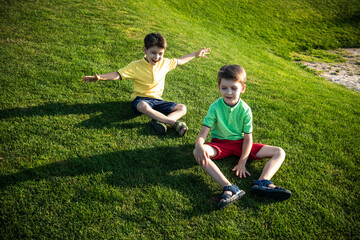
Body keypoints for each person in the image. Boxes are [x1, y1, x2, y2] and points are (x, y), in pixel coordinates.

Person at [193, 64, 291, 209]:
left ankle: (263, 182)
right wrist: (199, 145)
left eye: (234, 88)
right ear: (219, 88)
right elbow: (203, 132)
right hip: (220, 145)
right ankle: (229, 188)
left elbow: (248, 139)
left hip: (241, 145)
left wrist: (242, 162)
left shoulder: (245, 110)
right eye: (224, 88)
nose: (229, 92)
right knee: (197, 152)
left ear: (242, 88)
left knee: (279, 152)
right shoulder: (215, 107)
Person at [82, 33, 210, 136]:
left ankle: (160, 121)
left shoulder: (165, 63)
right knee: (143, 106)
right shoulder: (135, 66)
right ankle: (172, 122)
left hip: (158, 101)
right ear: (145, 50)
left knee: (182, 108)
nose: (157, 57)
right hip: (141, 100)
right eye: (153, 53)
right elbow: (117, 74)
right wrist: (100, 78)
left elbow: (180, 61)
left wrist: (195, 54)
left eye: (160, 53)